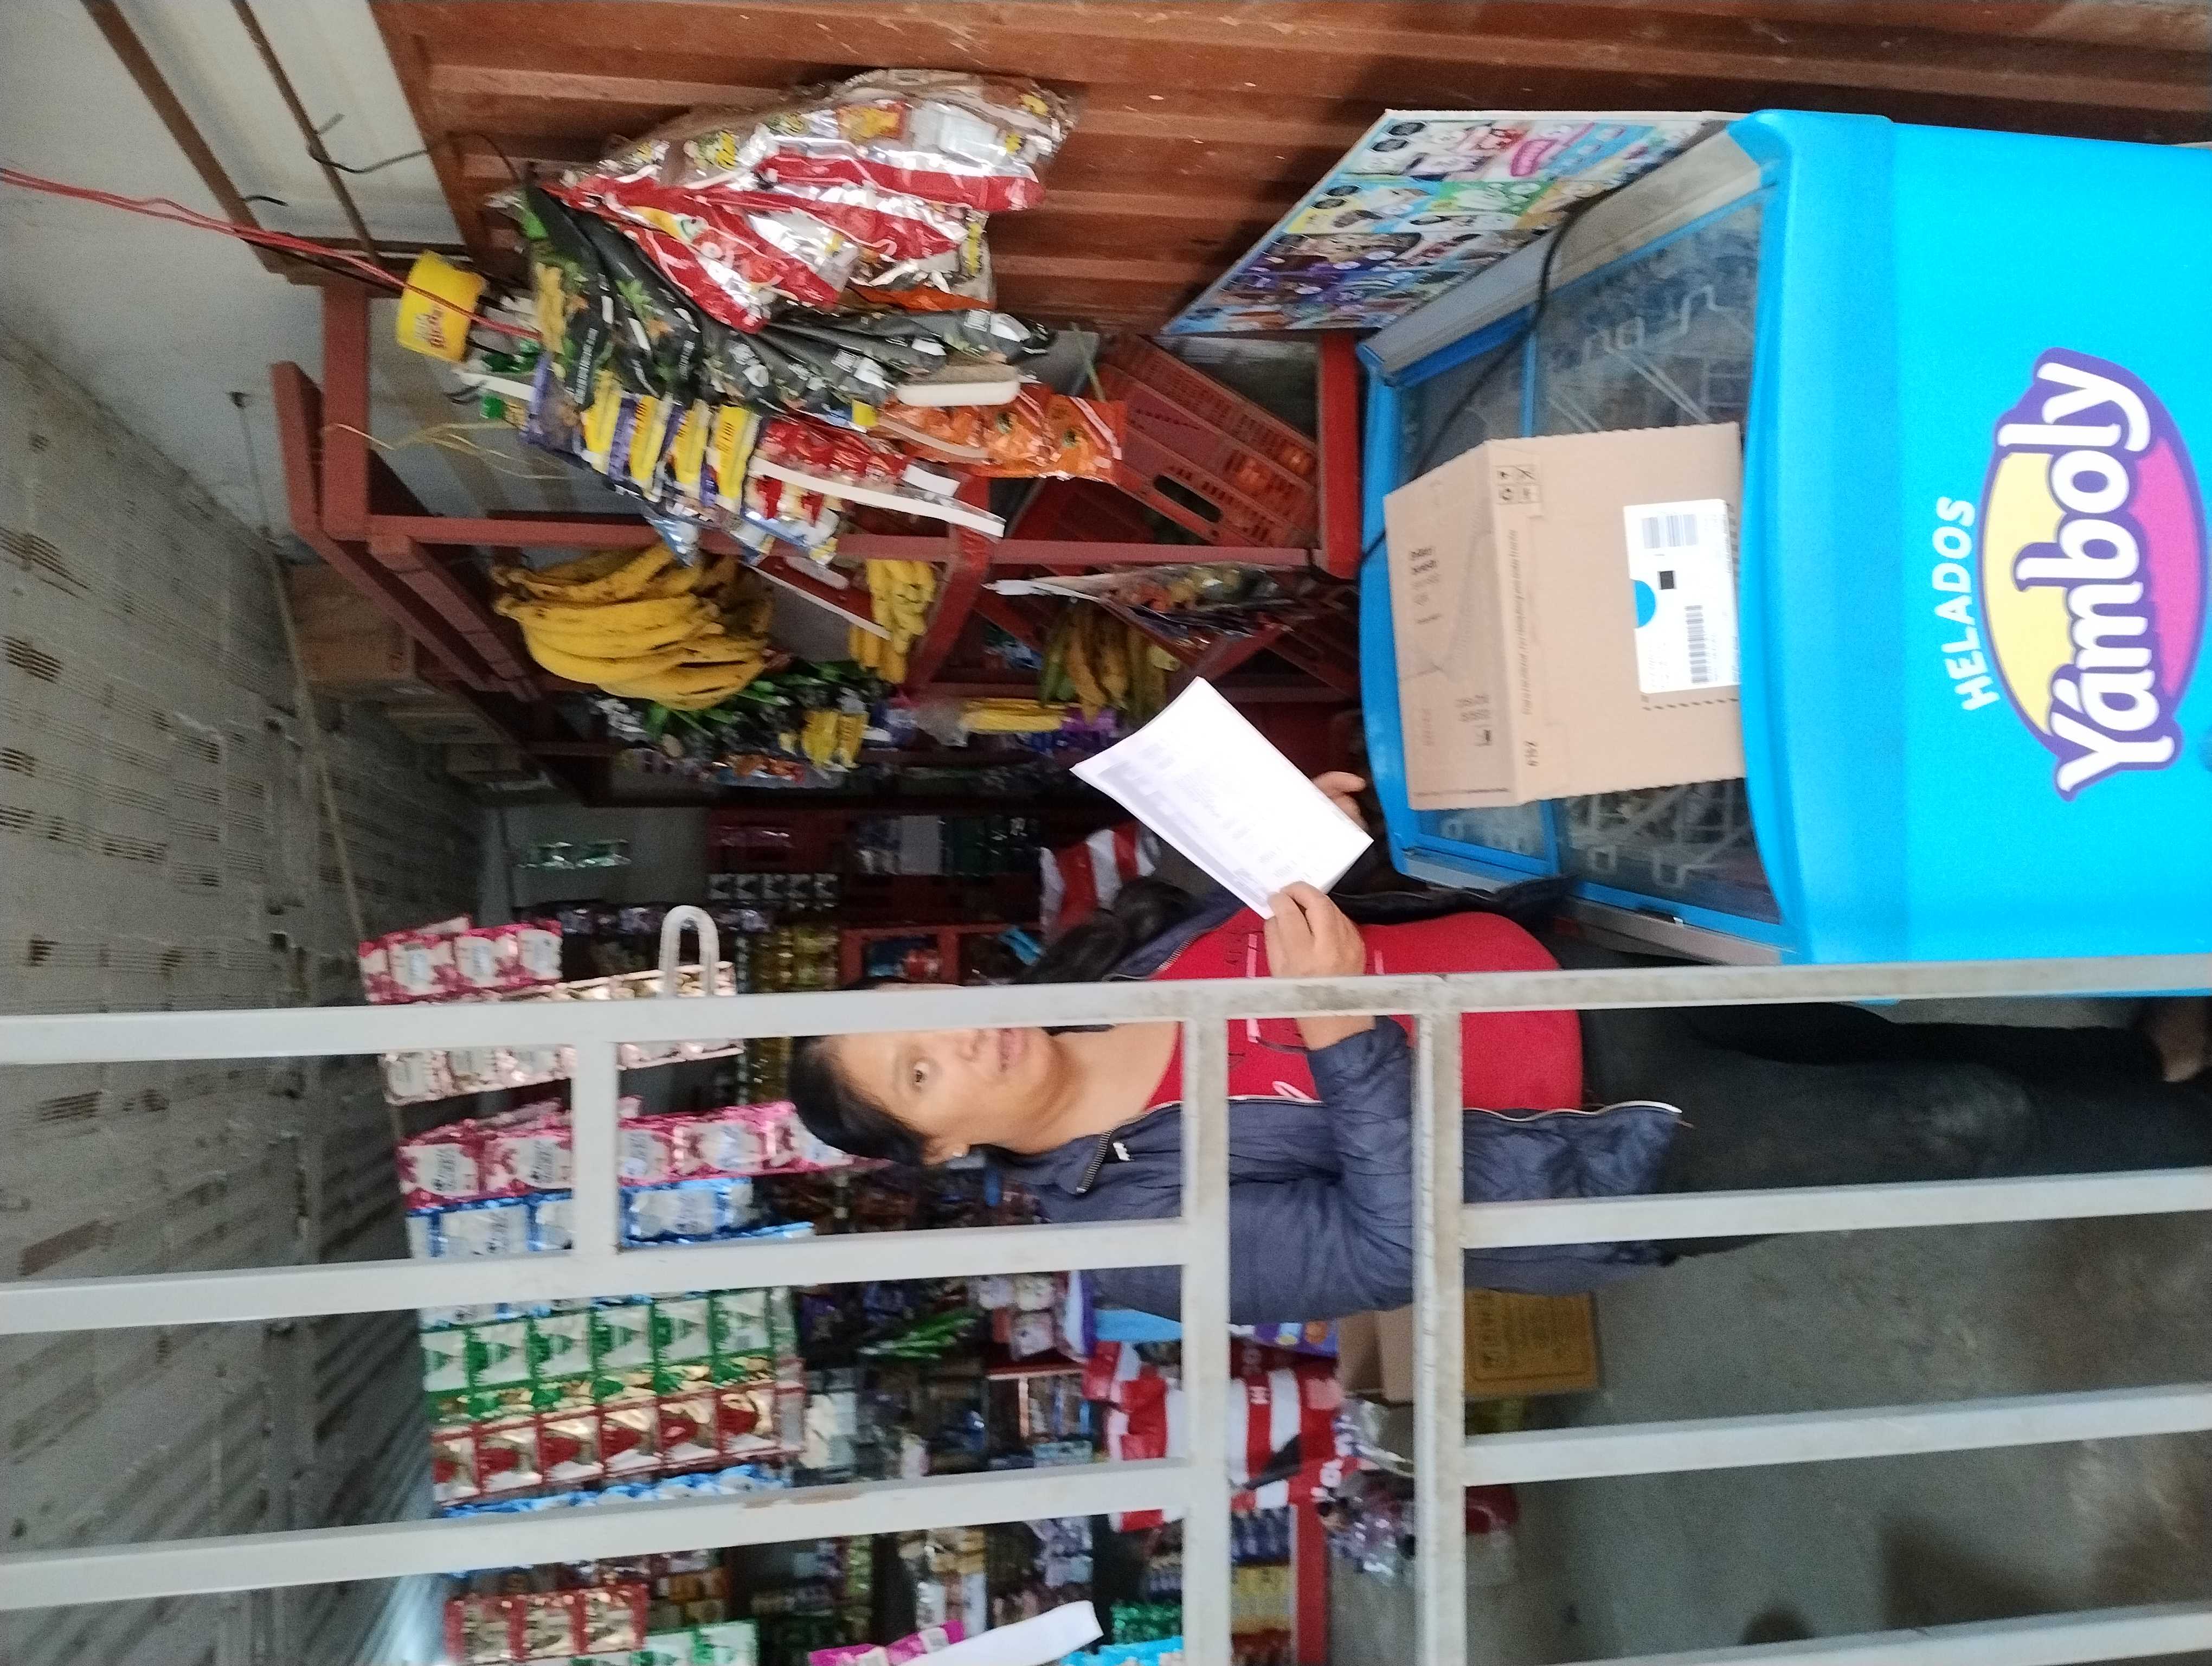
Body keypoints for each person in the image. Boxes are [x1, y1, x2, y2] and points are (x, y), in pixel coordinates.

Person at [790, 776, 2212, 1324]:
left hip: (1584, 985)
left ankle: (2149, 1073)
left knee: (1870, 1038)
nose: (959, 1038)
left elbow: (1308, 922)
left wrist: (1316, 842)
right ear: (943, 1147)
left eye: (921, 1021)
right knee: (1955, 1119)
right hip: (1612, 1151)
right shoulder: (1132, 1234)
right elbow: (1391, 1249)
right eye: (921, 1075)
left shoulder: (1112, 969)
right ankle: (2180, 1133)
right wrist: (1340, 1029)